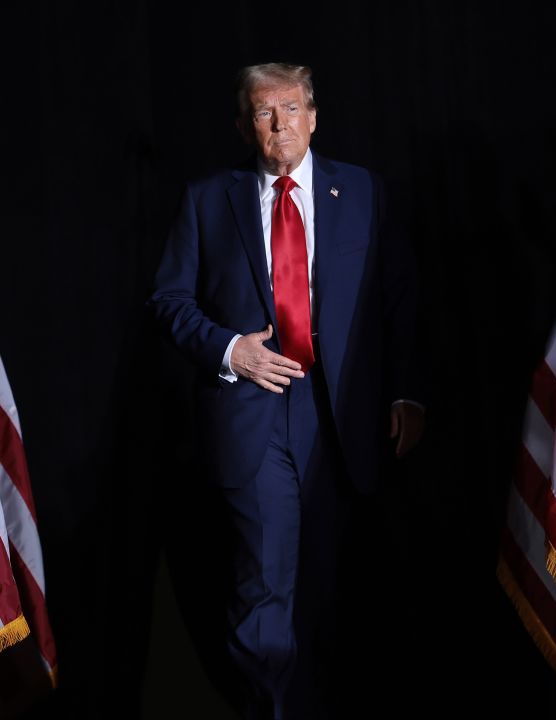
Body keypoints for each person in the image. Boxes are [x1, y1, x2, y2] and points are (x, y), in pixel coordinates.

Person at [149, 62, 424, 719]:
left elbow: (398, 298)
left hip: (342, 417)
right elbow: (168, 300)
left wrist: (407, 392)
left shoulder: (362, 192)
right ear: (245, 125)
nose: (282, 124)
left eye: (294, 108)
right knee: (265, 593)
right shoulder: (208, 199)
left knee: (328, 595)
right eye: (266, 112)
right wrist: (230, 350)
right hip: (254, 415)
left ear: (315, 116)